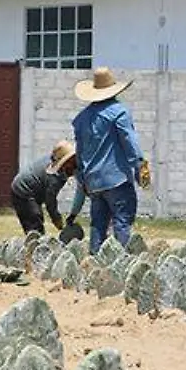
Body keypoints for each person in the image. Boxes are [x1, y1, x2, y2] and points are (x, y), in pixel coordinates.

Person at [71, 67, 146, 255]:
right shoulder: (119, 112)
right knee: (122, 222)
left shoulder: (81, 119)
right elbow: (130, 142)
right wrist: (140, 167)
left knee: (98, 224)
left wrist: (82, 178)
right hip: (117, 179)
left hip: (93, 183)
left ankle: (94, 261)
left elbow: (79, 153)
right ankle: (122, 261)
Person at [10, 140, 78, 234]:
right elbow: (50, 202)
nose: (75, 163)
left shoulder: (64, 166)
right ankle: (35, 240)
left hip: (34, 190)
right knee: (35, 221)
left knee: (37, 217)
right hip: (22, 191)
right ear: (64, 162)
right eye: (72, 161)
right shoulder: (53, 177)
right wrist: (57, 220)